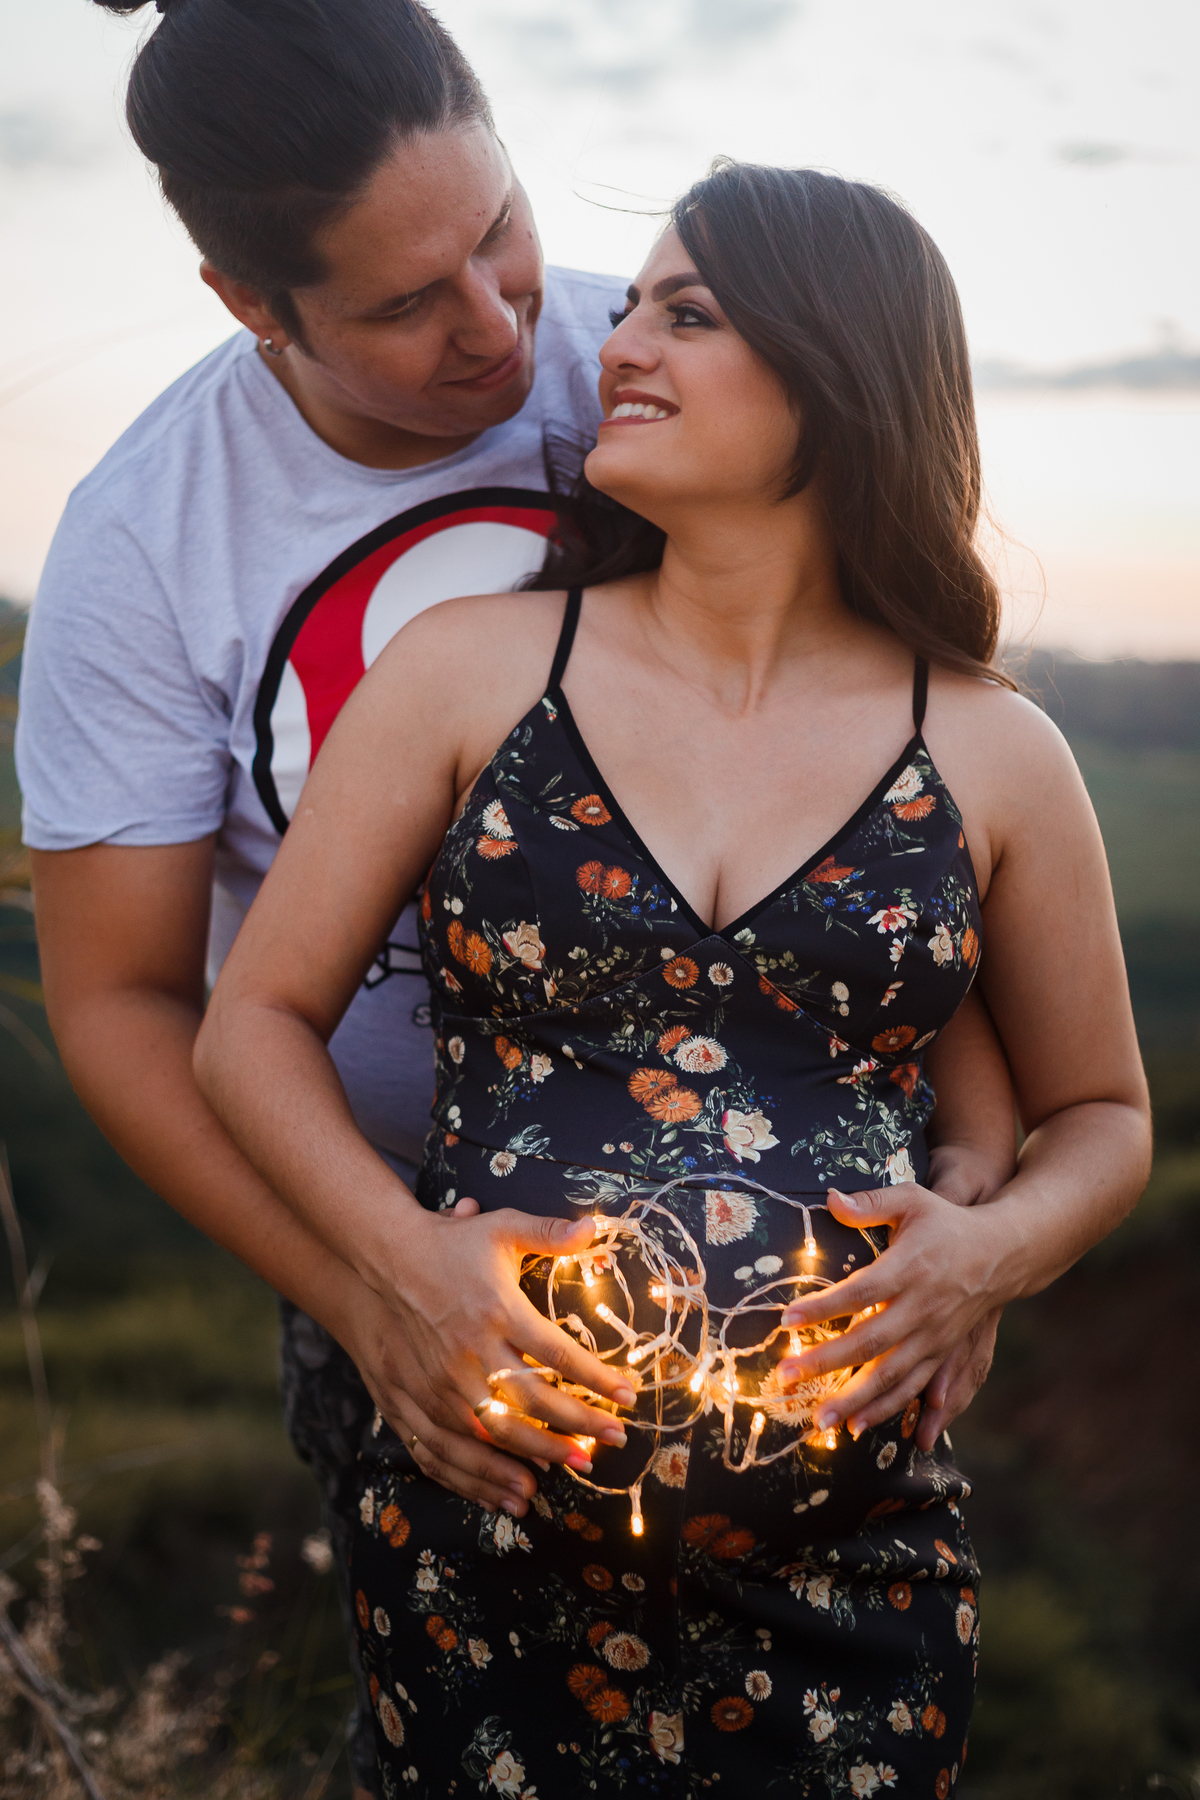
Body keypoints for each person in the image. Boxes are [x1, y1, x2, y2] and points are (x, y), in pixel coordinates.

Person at [17, 0, 1009, 1791]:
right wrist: (377, 1280)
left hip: (806, 1317)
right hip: (391, 1260)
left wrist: (983, 1211)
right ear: (260, 311)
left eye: (500, 233)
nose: (501, 331)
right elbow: (123, 1005)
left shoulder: (658, 355)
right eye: (405, 306)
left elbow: (915, 781)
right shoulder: (149, 542)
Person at [192, 161, 1151, 1794]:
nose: (619, 344)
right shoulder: (474, 670)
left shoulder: (995, 749)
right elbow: (249, 1031)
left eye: (687, 312)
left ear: (840, 371)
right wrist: (402, 1268)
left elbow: (1104, 1114)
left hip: (856, 1580)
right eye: (633, 305)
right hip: (481, 1536)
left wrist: (988, 1251)